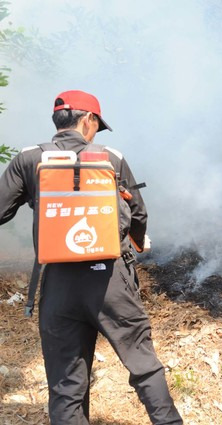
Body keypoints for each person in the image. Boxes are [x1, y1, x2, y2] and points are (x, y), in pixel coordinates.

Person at [0, 90, 183, 424]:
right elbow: (139, 214)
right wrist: (137, 245)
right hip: (110, 281)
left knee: (66, 385)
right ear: (88, 120)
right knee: (142, 363)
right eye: (97, 126)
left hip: (58, 284)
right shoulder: (110, 157)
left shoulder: (28, 159)